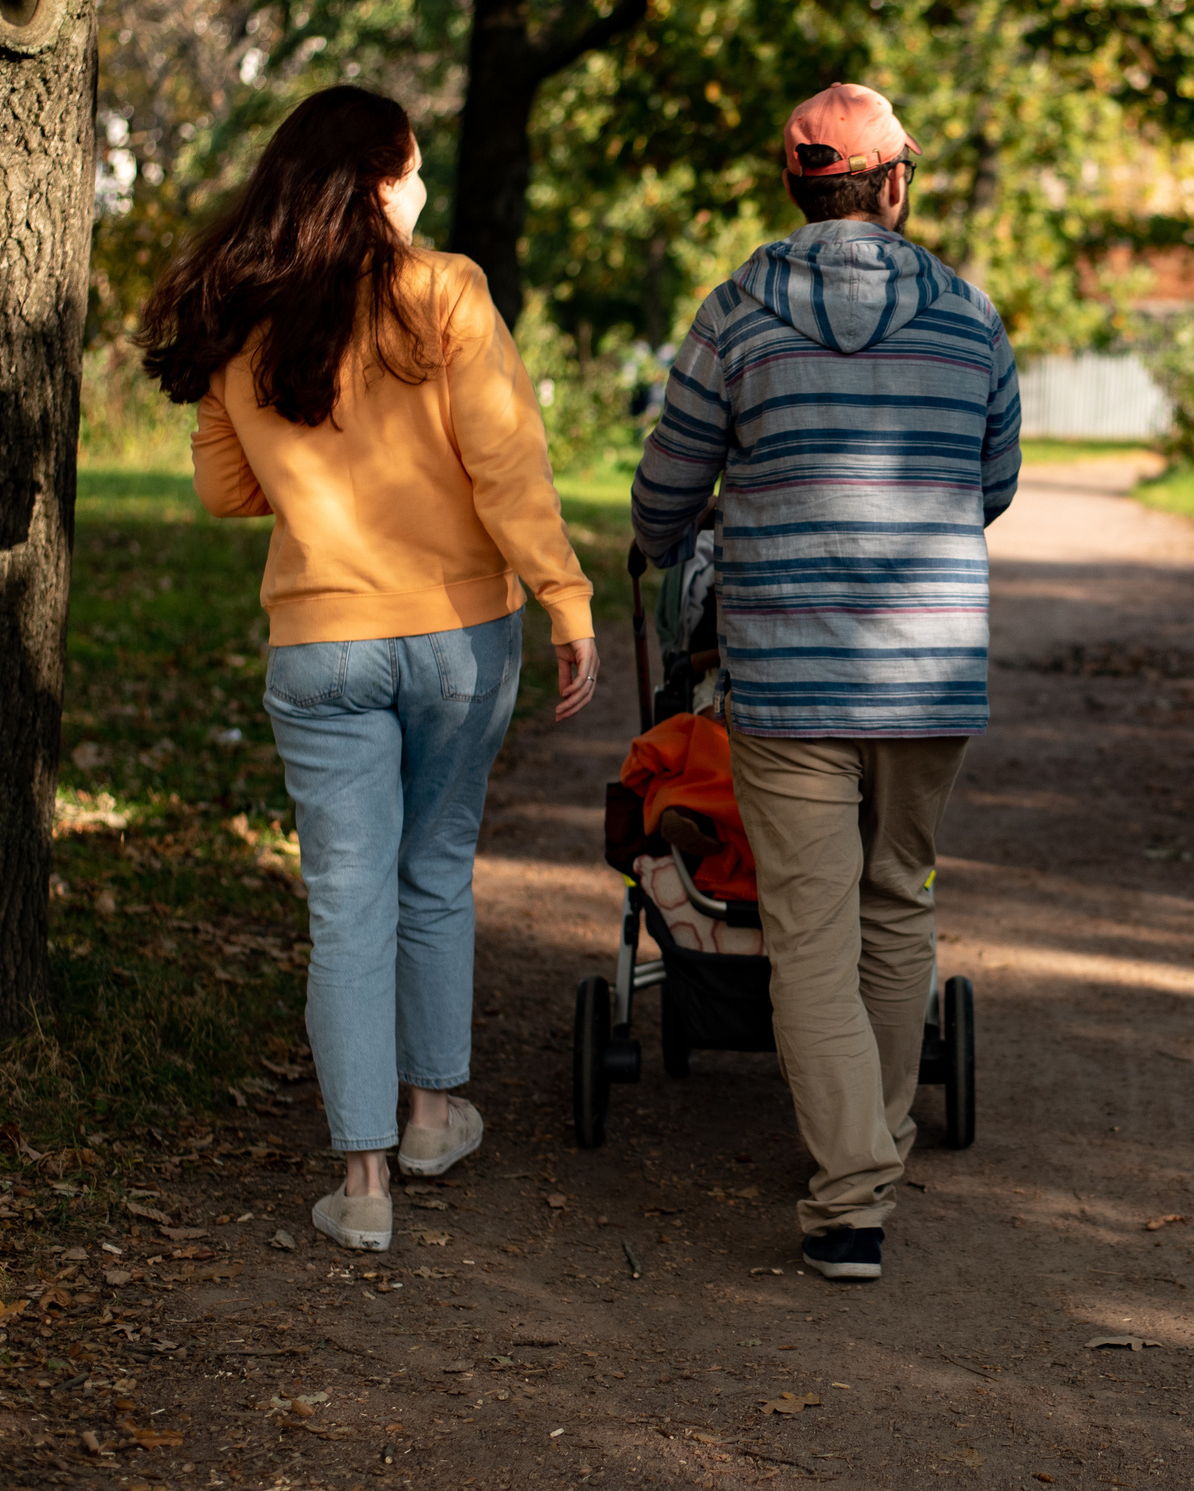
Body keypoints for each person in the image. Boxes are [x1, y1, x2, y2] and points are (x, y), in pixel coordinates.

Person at [137, 85, 600, 1252]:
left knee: (346, 908)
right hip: (456, 638)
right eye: (413, 169)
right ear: (379, 182)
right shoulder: (443, 291)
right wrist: (564, 593)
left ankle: (362, 1184)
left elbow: (224, 491)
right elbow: (504, 461)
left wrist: (262, 430)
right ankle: (436, 1114)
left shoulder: (243, 316)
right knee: (434, 866)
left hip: (320, 642)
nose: (425, 189)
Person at [629, 82, 1021, 1282]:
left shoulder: (737, 312)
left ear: (794, 185)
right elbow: (991, 481)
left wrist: (703, 520)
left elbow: (664, 493)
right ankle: (876, 1140)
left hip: (788, 675)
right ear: (893, 183)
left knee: (809, 932)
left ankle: (853, 1194)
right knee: (897, 895)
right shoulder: (967, 317)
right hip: (930, 667)